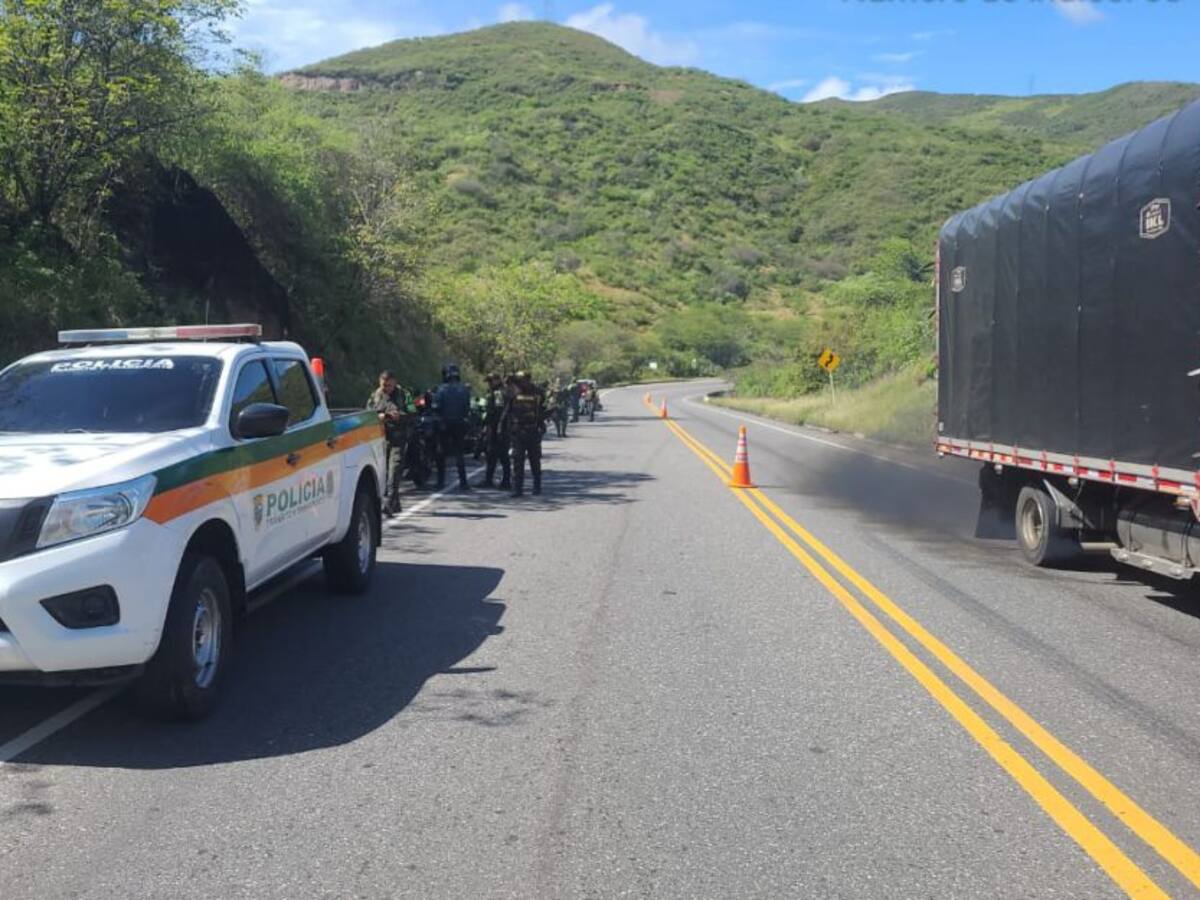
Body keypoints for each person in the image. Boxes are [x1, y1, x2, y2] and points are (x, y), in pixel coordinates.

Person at [367, 370, 412, 516]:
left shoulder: (404, 395)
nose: (386, 388)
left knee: (395, 470)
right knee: (383, 472)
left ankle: (388, 504)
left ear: (395, 383)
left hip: (398, 438)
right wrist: (379, 416)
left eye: (389, 385)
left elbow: (413, 413)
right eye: (384, 385)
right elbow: (367, 414)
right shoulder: (375, 396)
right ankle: (396, 503)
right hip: (380, 439)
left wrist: (400, 416)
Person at [503, 371, 546, 497]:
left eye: (522, 381)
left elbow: (542, 408)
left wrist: (541, 425)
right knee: (518, 462)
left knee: (535, 460)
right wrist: (504, 428)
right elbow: (507, 411)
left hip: (533, 430)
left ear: (528, 380)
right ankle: (518, 489)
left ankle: (537, 487)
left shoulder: (537, 392)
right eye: (518, 381)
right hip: (518, 432)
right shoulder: (513, 393)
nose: (521, 383)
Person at [433, 363, 472, 491]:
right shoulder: (464, 390)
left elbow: (436, 407)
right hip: (460, 424)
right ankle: (464, 482)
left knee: (441, 453)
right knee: (459, 453)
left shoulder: (441, 389)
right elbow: (467, 408)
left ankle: (440, 482)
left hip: (444, 424)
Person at [482, 373, 512, 490]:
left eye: (490, 381)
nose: (489, 384)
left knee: (502, 454)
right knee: (491, 455)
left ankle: (505, 481)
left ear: (497, 380)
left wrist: (495, 425)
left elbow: (499, 411)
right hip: (495, 427)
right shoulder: (496, 392)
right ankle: (489, 480)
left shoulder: (499, 393)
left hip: (498, 428)